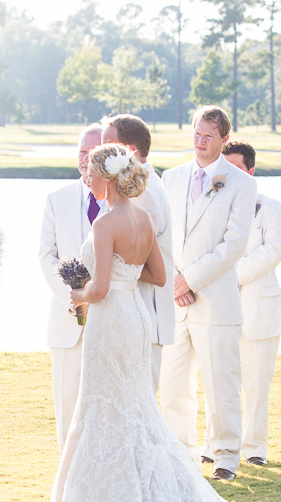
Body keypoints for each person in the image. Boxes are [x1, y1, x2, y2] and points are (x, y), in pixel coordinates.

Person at [46, 143, 281, 502]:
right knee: (135, 406)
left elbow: (102, 288)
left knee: (102, 404)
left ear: (107, 179)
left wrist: (79, 294)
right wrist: (125, 275)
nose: (86, 180)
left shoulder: (105, 224)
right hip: (138, 319)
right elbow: (159, 276)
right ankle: (146, 491)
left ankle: (104, 501)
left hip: (111, 322)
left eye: (90, 174)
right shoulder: (142, 218)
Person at [160, 105, 257, 482]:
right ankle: (179, 454)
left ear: (224, 140)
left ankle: (226, 457)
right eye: (197, 135)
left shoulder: (241, 184)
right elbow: (160, 235)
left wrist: (190, 280)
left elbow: (234, 245)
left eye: (208, 137)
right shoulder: (171, 177)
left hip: (215, 301)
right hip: (174, 300)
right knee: (172, 384)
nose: (200, 143)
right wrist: (173, 280)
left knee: (222, 383)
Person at [202, 141, 281, 466]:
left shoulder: (274, 209)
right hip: (218, 310)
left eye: (237, 170)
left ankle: (254, 449)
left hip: (260, 311)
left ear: (251, 172)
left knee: (256, 386)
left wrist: (226, 274)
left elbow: (272, 253)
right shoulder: (211, 208)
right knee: (218, 380)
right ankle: (215, 446)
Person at [38, 123, 104, 452]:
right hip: (66, 322)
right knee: (66, 403)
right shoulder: (56, 199)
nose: (84, 158)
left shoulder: (123, 201)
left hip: (109, 319)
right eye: (80, 151)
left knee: (106, 404)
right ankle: (68, 472)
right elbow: (46, 255)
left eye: (91, 152)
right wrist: (70, 297)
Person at [100, 114, 174, 393]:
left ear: (130, 151)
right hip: (131, 313)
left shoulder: (145, 194)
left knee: (140, 403)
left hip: (143, 312)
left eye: (108, 144)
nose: (100, 151)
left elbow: (133, 261)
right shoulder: (139, 187)